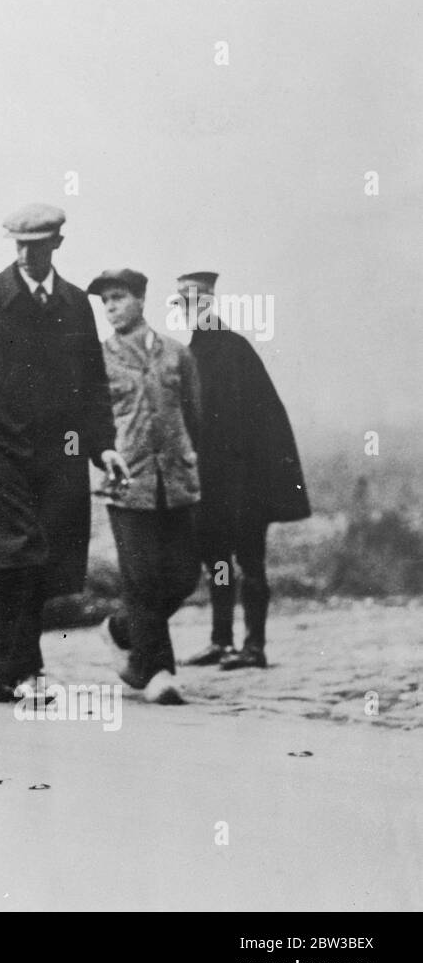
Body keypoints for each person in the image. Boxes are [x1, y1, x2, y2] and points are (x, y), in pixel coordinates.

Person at [0, 204, 128, 703]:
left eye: (36, 245)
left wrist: (105, 449)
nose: (26, 254)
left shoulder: (77, 304)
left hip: (59, 452)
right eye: (18, 244)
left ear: (56, 244)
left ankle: (6, 672)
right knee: (21, 553)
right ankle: (26, 670)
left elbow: (92, 386)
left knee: (44, 559)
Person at [178, 270, 311, 670]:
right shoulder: (192, 352)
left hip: (247, 484)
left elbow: (250, 422)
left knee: (250, 562)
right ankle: (221, 640)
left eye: (196, 303)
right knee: (217, 560)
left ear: (210, 304)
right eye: (184, 305)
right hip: (211, 481)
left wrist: (238, 481)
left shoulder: (234, 350)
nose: (190, 311)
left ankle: (254, 646)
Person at [90, 269, 201, 704]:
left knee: (184, 577)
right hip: (127, 483)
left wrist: (190, 460)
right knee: (142, 580)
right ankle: (157, 671)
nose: (112, 307)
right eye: (106, 302)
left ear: (140, 299)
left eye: (118, 298)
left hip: (176, 481)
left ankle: (120, 628)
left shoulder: (177, 355)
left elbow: (194, 415)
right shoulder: (99, 360)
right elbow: (94, 423)